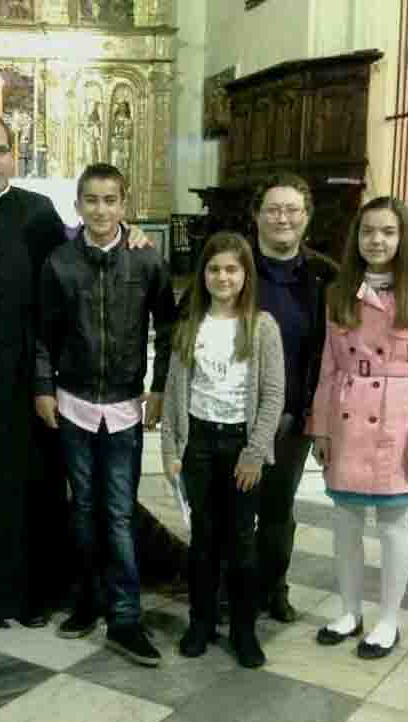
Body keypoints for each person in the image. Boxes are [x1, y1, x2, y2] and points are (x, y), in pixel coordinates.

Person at [0, 114, 151, 631]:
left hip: (21, 376)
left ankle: (29, 594)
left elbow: (74, 269)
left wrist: (133, 236)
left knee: (27, 484)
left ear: (14, 154)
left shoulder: (38, 214)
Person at [35, 163, 174, 666]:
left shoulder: (145, 261)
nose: (101, 210)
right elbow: (43, 334)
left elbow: (170, 324)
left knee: (117, 512)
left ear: (124, 204)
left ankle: (126, 616)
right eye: (91, 200)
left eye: (110, 200)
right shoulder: (59, 264)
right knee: (83, 509)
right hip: (72, 403)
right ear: (78, 206)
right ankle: (87, 599)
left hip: (122, 407)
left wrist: (158, 387)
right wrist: (42, 388)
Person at [309, 196, 408, 659]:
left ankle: (388, 620)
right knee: (344, 521)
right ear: (357, 238)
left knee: (392, 523)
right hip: (347, 418)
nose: (377, 240)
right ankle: (350, 611)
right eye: (368, 231)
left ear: (403, 238)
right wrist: (321, 428)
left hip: (396, 423)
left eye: (387, 231)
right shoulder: (340, 295)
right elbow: (328, 367)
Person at [161, 231, 284, 669]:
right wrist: (172, 446)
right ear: (203, 275)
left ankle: (244, 630)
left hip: (239, 445)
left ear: (246, 274)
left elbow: (272, 396)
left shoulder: (262, 326)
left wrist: (254, 453)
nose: (222, 276)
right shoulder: (191, 324)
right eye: (214, 269)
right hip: (199, 443)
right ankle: (201, 622)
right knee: (203, 540)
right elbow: (177, 390)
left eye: (232, 269)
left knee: (242, 542)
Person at [248, 172, 337, 622]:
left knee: (278, 510)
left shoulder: (325, 275)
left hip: (292, 415)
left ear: (306, 219)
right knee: (235, 510)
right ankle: (234, 591)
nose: (282, 218)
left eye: (292, 210)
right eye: (273, 209)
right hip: (234, 416)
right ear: (257, 216)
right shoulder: (234, 264)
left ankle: (273, 589)